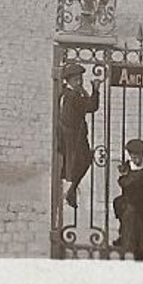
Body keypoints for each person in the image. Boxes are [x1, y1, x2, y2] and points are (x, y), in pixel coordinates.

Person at [56, 61, 99, 209]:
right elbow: (92, 106)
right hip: (75, 136)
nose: (79, 82)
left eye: (80, 79)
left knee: (72, 163)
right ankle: (71, 190)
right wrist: (95, 90)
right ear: (68, 81)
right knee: (85, 160)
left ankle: (70, 189)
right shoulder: (74, 96)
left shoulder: (65, 92)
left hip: (65, 134)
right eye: (76, 80)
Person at [112, 138, 143, 260]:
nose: (135, 159)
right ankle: (124, 236)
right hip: (129, 198)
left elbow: (127, 182)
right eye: (133, 157)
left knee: (131, 214)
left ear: (142, 154)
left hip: (142, 200)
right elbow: (124, 180)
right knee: (118, 204)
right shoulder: (129, 164)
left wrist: (124, 178)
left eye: (137, 156)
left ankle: (131, 245)